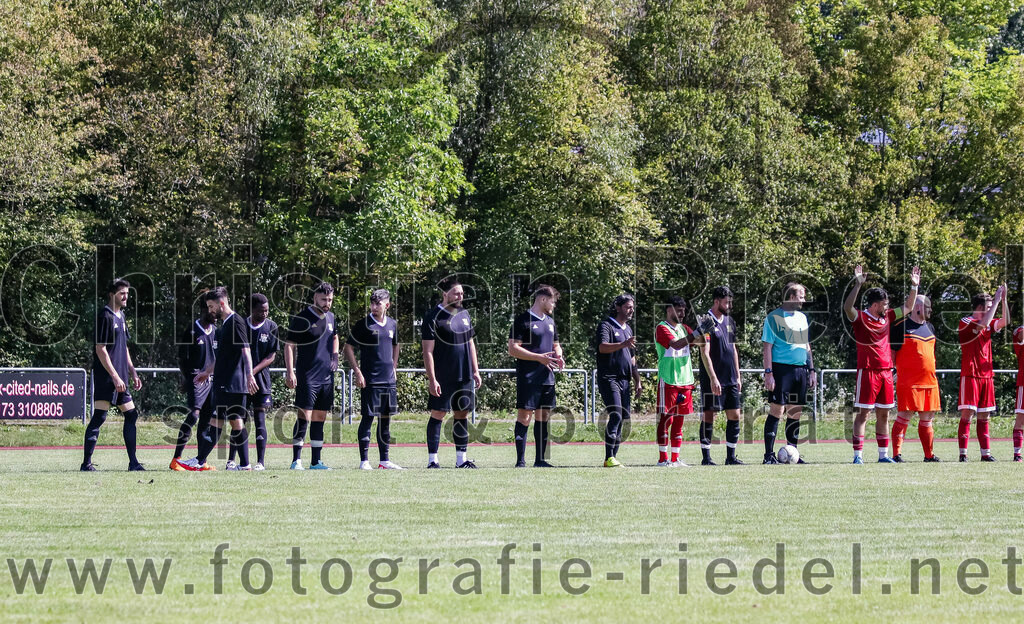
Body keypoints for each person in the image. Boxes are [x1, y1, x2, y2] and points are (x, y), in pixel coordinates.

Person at [179, 286, 259, 471]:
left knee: (223, 421)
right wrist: (207, 372)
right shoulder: (226, 324)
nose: (210, 310)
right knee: (227, 421)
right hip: (226, 382)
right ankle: (241, 464)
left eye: (211, 306)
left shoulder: (235, 322)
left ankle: (200, 460)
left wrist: (249, 374)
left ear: (221, 303)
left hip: (232, 382)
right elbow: (223, 356)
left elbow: (245, 349)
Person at [82, 279, 144, 471]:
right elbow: (101, 349)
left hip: (122, 377)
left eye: (127, 293)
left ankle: (133, 462)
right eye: (122, 293)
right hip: (107, 377)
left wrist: (132, 372)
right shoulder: (105, 316)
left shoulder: (122, 316)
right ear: (112, 295)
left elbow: (123, 347)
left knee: (131, 415)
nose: (126, 297)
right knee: (100, 417)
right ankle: (86, 463)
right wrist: (115, 376)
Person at [422, 277, 482, 469]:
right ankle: (433, 460)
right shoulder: (433, 316)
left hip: (463, 374)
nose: (460, 296)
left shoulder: (464, 314)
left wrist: (475, 369)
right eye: (457, 293)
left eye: (462, 293)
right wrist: (432, 379)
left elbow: (470, 342)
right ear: (445, 294)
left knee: (461, 414)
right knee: (438, 413)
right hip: (443, 375)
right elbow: (427, 351)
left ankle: (461, 459)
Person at [843, 265, 896, 464]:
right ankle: (858, 456)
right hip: (867, 372)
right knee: (863, 413)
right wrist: (857, 284)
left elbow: (907, 308)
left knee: (884, 414)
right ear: (875, 305)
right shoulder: (861, 317)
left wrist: (915, 287)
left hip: (886, 372)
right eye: (884, 304)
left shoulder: (887, 317)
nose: (887, 307)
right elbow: (848, 308)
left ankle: (883, 455)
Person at [508, 285, 565, 468]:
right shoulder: (522, 320)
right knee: (525, 416)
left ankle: (540, 460)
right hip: (528, 377)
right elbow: (512, 349)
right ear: (542, 299)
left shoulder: (550, 321)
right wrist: (538, 358)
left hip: (547, 377)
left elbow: (556, 344)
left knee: (544, 416)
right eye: (552, 302)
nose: (553, 305)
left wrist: (559, 355)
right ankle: (520, 461)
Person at [345, 289, 402, 470]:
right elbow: (348, 348)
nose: (374, 306)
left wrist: (394, 367)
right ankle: (364, 461)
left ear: (387, 305)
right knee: (368, 418)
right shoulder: (364, 324)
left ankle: (384, 460)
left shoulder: (392, 324)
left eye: (378, 303)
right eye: (372, 303)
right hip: (370, 380)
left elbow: (396, 345)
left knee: (385, 420)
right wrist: (358, 372)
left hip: (388, 381)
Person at [284, 282, 339, 470]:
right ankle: (296, 460)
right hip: (308, 376)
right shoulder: (302, 318)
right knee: (304, 417)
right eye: (324, 299)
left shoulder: (331, 317)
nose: (327, 303)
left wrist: (335, 356)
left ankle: (316, 461)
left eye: (330, 299)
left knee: (320, 418)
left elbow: (335, 337)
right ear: (314, 297)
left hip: (326, 377)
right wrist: (290, 371)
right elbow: (289, 345)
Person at [889, 268, 941, 462]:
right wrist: (893, 371)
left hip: (930, 381)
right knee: (904, 415)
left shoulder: (931, 327)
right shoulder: (900, 327)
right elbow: (891, 353)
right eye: (928, 307)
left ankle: (929, 455)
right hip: (908, 381)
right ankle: (896, 454)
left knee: (927, 419)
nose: (930, 310)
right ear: (919, 307)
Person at [762, 282, 815, 464]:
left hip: (800, 370)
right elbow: (767, 347)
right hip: (781, 370)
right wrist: (768, 373)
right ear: (791, 297)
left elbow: (807, 346)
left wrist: (812, 369)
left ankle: (793, 452)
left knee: (795, 412)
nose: (804, 300)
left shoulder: (802, 317)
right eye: (801, 296)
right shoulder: (773, 317)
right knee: (777, 410)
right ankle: (768, 455)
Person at [225, 294, 277, 470]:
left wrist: (252, 372)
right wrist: (246, 374)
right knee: (238, 419)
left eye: (267, 310)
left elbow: (271, 356)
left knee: (260, 419)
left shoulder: (271, 327)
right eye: (261, 310)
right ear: (252, 309)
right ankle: (231, 460)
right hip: (241, 381)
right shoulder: (241, 325)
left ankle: (261, 462)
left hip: (260, 380)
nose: (264, 313)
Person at [957, 285, 1008, 461]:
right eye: (988, 307)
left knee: (984, 416)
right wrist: (996, 300)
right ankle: (963, 454)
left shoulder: (988, 322)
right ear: (979, 308)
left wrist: (1003, 300)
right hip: (970, 374)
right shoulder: (966, 321)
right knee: (967, 415)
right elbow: (984, 324)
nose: (991, 310)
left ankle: (985, 454)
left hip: (986, 376)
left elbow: (1005, 321)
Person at [696, 286, 744, 465]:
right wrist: (713, 378)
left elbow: (733, 350)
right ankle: (706, 458)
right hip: (713, 379)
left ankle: (731, 457)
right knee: (709, 416)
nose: (729, 305)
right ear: (717, 301)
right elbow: (704, 352)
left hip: (730, 377)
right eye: (726, 302)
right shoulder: (705, 321)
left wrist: (738, 376)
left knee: (735, 415)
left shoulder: (730, 320)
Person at [654, 296, 703, 466]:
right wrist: (696, 333)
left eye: (684, 310)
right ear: (669, 310)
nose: (682, 313)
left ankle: (675, 459)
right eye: (679, 309)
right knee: (667, 419)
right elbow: (676, 345)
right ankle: (663, 459)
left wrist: (705, 331)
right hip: (669, 379)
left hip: (685, 380)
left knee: (680, 420)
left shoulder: (684, 328)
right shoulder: (662, 327)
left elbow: (702, 342)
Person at [170, 291, 216, 471]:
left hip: (211, 379)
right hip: (196, 377)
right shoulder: (191, 330)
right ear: (205, 309)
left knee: (205, 420)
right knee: (194, 415)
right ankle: (176, 459)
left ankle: (201, 461)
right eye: (213, 311)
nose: (216, 315)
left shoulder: (216, 332)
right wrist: (186, 378)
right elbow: (181, 358)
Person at [596, 294, 642, 467]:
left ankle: (613, 457)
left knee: (624, 417)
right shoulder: (606, 325)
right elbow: (602, 347)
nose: (631, 310)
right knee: (615, 413)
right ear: (618, 307)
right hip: (609, 378)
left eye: (632, 307)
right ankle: (609, 457)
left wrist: (637, 379)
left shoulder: (628, 329)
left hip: (625, 380)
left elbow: (632, 358)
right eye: (628, 307)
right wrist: (623, 344)